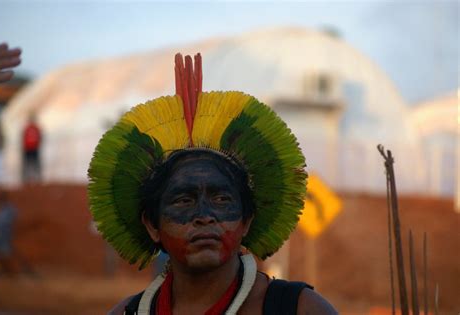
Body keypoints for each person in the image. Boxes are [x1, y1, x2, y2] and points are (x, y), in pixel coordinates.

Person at [88, 53, 337, 314]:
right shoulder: (126, 313)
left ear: (247, 219)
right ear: (152, 225)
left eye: (221, 199)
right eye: (183, 200)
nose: (204, 216)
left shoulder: (301, 310)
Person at [0, 191, 17, 275]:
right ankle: (0, 270)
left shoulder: (9, 209)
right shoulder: (1, 209)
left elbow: (12, 218)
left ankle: (9, 270)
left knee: (5, 253)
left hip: (5, 234)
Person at [22, 114, 42, 182]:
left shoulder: (36, 128)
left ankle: (37, 177)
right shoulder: (27, 128)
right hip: (27, 148)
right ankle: (27, 178)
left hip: (35, 148)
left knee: (35, 164)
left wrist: (38, 145)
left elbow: (40, 137)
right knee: (28, 164)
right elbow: (23, 138)